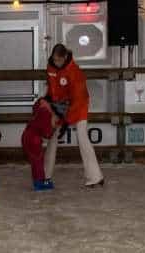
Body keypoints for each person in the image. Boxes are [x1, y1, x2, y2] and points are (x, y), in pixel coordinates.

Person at [45, 43, 104, 188]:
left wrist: (66, 121)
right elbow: (52, 89)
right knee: (52, 138)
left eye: (59, 60)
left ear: (65, 57)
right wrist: (48, 102)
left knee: (82, 138)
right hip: (60, 106)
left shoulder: (75, 72)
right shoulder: (50, 68)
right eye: (55, 59)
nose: (57, 63)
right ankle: (45, 176)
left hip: (79, 105)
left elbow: (78, 99)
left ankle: (95, 177)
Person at [22, 97, 61, 191]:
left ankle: (38, 182)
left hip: (26, 136)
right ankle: (40, 183)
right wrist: (53, 126)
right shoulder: (47, 114)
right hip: (34, 139)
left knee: (35, 161)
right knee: (38, 161)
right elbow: (47, 134)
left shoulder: (40, 109)